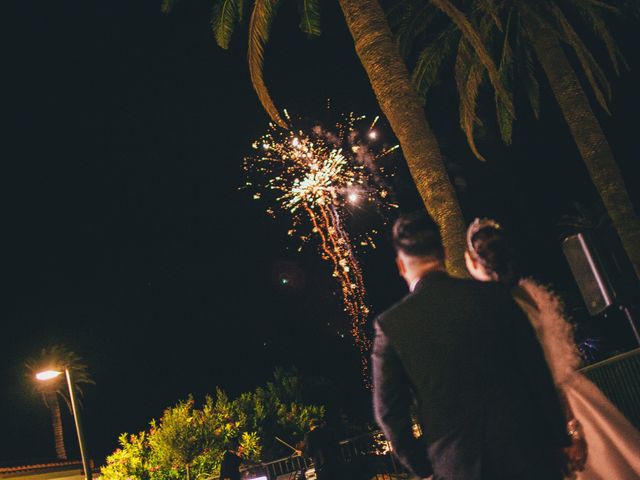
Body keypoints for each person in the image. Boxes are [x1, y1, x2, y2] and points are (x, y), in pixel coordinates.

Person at [372, 211, 570, 480]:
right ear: (443, 253)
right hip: (528, 452)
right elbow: (536, 372)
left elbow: (389, 412)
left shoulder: (391, 325)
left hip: (458, 465)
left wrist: (425, 466)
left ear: (401, 266)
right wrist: (558, 438)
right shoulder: (495, 297)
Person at [465, 217, 640, 480]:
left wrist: (570, 428)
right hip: (565, 395)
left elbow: (538, 367)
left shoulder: (494, 308)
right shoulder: (525, 294)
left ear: (475, 262)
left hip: (547, 409)